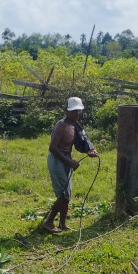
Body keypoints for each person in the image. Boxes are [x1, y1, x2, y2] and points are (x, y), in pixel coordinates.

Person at [43, 96, 98, 233]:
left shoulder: (75, 126)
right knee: (63, 195)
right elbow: (53, 148)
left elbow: (83, 141)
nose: (76, 114)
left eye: (78, 111)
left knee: (67, 194)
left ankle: (62, 223)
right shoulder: (61, 126)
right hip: (57, 159)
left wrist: (90, 150)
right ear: (67, 111)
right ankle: (49, 222)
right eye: (73, 111)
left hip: (66, 158)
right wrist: (69, 162)